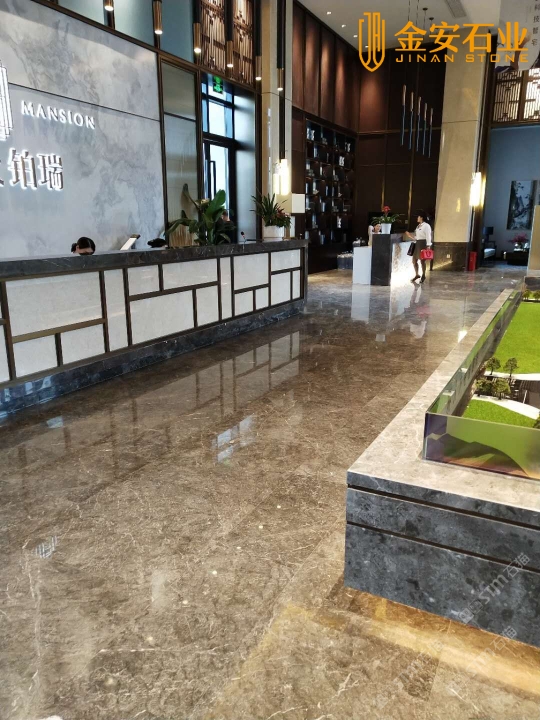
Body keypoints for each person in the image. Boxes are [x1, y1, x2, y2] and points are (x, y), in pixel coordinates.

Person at [405, 211, 432, 283]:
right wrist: (409, 236)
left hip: (423, 243)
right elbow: (417, 237)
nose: (417, 218)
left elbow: (428, 236)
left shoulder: (426, 226)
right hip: (417, 243)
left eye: (418, 217)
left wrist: (428, 245)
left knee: (422, 261)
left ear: (421, 218)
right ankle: (417, 274)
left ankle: (423, 275)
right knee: (414, 261)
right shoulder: (418, 226)